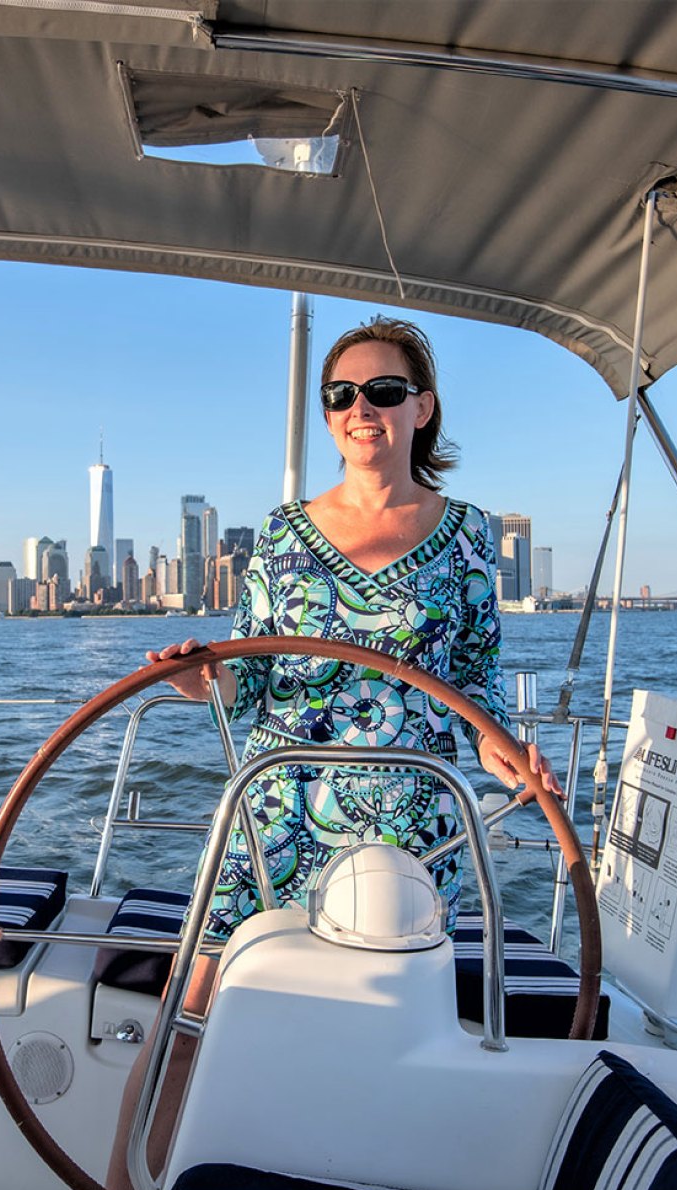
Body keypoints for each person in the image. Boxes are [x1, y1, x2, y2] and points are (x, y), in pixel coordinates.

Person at [147, 316, 560, 937]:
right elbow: (252, 676)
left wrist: (498, 746)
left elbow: (476, 676)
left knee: (389, 1014)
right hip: (277, 810)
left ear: (422, 408)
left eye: (384, 391)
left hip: (413, 821)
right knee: (209, 993)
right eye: (342, 395)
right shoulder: (280, 531)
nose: (361, 407)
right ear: (329, 415)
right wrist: (207, 682)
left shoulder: (470, 532)